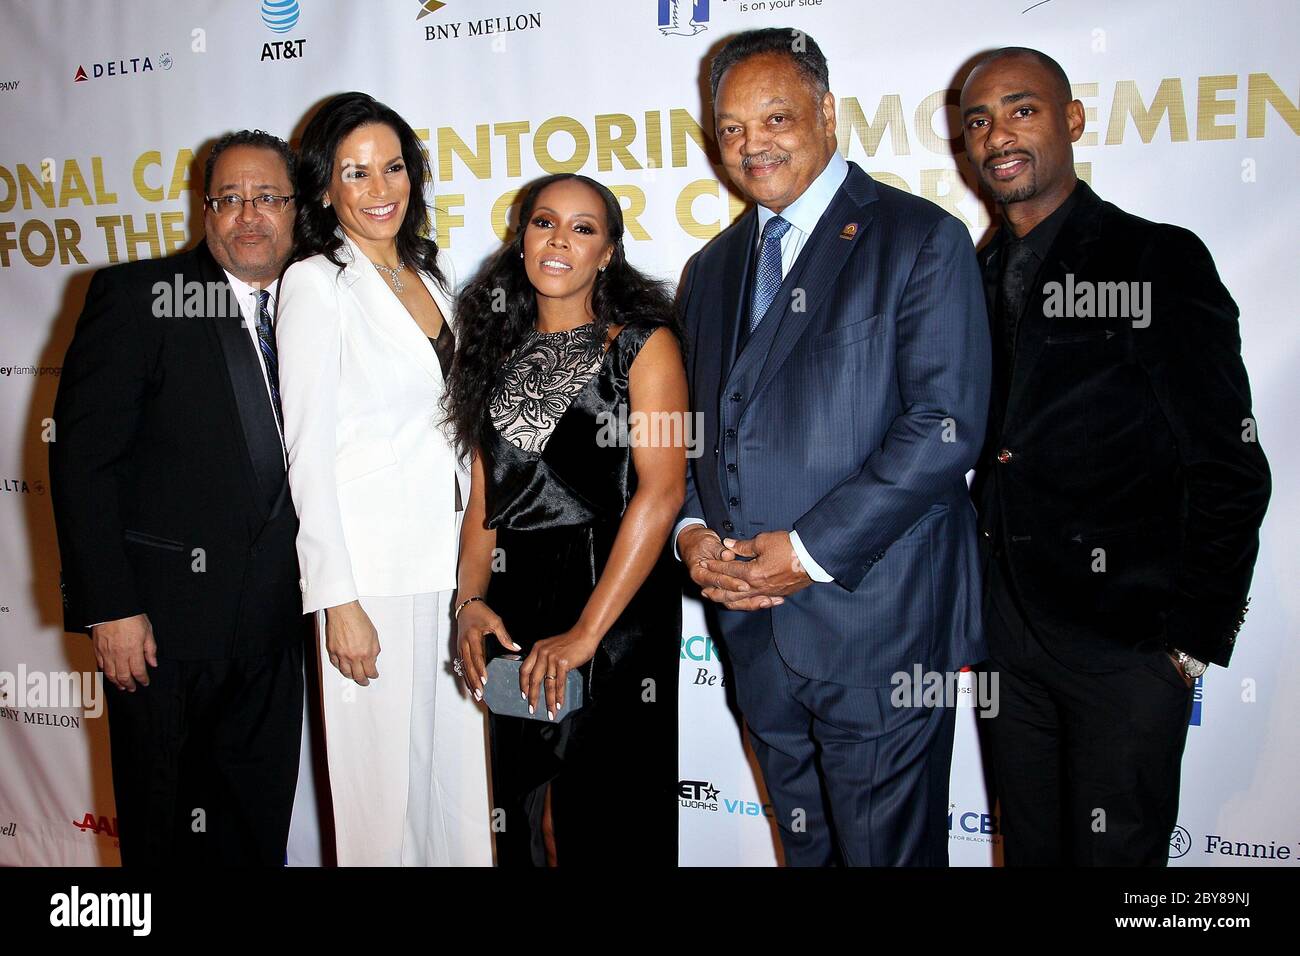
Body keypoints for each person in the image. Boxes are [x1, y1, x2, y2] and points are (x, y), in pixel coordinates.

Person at [674, 28, 991, 866]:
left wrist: (809, 552)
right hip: (752, 627)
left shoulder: (920, 238)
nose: (752, 145)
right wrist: (694, 532)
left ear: (827, 114)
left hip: (878, 623)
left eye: (776, 118)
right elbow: (701, 430)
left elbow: (943, 427)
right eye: (732, 128)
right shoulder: (711, 269)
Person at [960, 48, 1270, 866]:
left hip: (1127, 650)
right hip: (1007, 645)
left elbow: (1231, 465)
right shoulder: (967, 275)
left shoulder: (1155, 258)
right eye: (979, 120)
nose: (999, 136)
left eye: (1022, 111)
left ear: (1072, 120)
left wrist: (1188, 641)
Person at [49, 130, 306, 865]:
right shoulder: (138, 296)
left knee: (256, 833)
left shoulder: (318, 306)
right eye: (230, 199)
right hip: (160, 633)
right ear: (206, 210)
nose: (248, 215)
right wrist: (110, 607)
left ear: (295, 211)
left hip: (276, 631)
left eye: (266, 198)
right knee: (164, 834)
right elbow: (81, 463)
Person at [275, 92, 491, 866]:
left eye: (393, 167)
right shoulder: (313, 283)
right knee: (376, 800)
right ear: (325, 187)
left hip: (450, 568)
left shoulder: (430, 275)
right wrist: (337, 600)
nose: (379, 189)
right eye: (355, 173)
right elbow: (306, 449)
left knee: (456, 785)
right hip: (370, 577)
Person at [445, 173, 685, 867]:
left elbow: (663, 493)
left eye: (584, 228)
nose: (560, 240)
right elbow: (483, 505)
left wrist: (586, 632)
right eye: (545, 222)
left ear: (607, 251)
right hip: (516, 607)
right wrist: (469, 602)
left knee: (597, 815)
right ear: (522, 238)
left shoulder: (644, 345)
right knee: (525, 814)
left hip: (612, 600)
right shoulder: (491, 355)